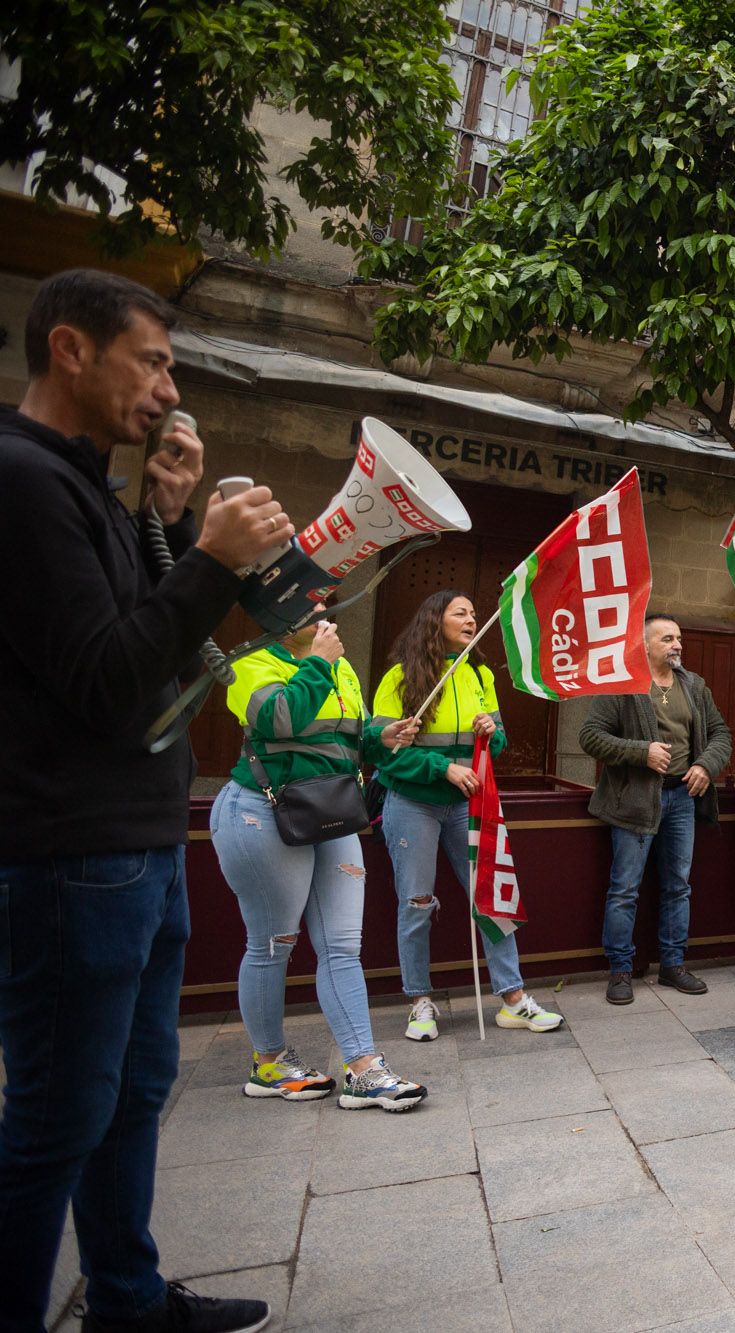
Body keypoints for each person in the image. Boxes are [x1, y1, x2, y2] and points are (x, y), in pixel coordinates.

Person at [0, 268, 286, 1332]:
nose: (169, 391)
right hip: (73, 851)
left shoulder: (90, 490)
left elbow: (143, 636)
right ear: (71, 349)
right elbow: (110, 677)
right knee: (55, 1120)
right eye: (152, 362)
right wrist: (208, 556)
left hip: (135, 843)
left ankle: (125, 1299)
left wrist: (163, 521)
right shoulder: (25, 480)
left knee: (130, 1093)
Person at [212, 615, 429, 1111]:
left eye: (326, 605)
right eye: (310, 607)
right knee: (273, 943)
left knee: (342, 946)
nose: (324, 616)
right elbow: (280, 721)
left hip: (332, 811)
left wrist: (382, 737)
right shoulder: (251, 662)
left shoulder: (341, 666)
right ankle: (269, 1064)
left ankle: (364, 1071)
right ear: (277, 615)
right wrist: (318, 664)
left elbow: (345, 740)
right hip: (263, 811)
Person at [372, 591, 566, 1037]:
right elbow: (384, 753)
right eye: (460, 612)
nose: (471, 619)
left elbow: (498, 744)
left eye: (474, 614)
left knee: (492, 896)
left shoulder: (480, 673)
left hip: (468, 803)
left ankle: (513, 999)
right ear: (434, 620)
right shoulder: (399, 677)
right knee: (416, 903)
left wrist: (491, 732)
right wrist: (442, 768)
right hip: (412, 803)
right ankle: (419, 1001)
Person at [581, 614, 733, 1003]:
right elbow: (590, 736)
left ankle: (673, 965)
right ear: (644, 645)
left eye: (678, 638)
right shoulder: (623, 684)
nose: (677, 644)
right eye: (667, 639)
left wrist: (705, 766)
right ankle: (620, 970)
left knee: (678, 886)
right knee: (624, 889)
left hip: (682, 798)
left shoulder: (694, 685)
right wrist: (641, 752)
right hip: (634, 801)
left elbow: (720, 734)